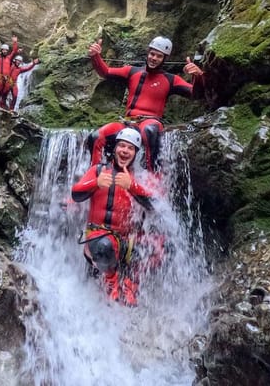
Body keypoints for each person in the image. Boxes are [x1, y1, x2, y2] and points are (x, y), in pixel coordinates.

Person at [87, 35, 204, 171]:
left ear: (164, 59)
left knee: (149, 131)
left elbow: (196, 94)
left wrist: (198, 76)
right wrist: (95, 56)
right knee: (96, 136)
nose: (153, 58)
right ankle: (94, 173)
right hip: (127, 122)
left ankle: (153, 176)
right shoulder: (132, 71)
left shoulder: (171, 79)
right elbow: (106, 72)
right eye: (152, 53)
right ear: (148, 53)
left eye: (158, 56)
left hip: (150, 122)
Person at [71, 127, 153, 306]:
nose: (125, 151)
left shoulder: (138, 179)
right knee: (104, 245)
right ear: (115, 148)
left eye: (130, 148)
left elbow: (154, 205)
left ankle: (131, 284)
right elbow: (76, 194)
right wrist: (95, 183)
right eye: (122, 146)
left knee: (158, 245)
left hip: (125, 241)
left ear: (136, 153)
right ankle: (112, 281)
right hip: (98, 237)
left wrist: (132, 187)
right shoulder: (98, 170)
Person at [0, 31, 18, 109]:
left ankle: (3, 105)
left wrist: (15, 42)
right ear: (1, 50)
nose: (5, 51)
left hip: (7, 78)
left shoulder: (9, 58)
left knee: (5, 93)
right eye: (3, 50)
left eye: (6, 50)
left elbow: (15, 51)